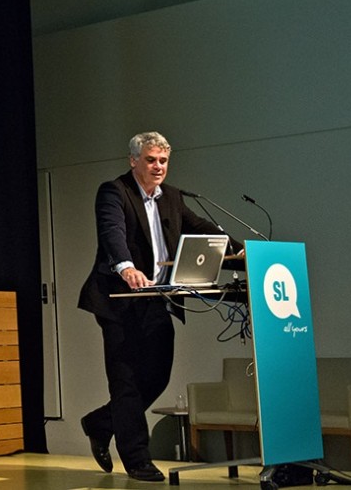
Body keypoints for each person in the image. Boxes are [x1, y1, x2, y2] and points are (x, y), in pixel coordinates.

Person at [77, 131, 242, 482]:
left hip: (157, 300)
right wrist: (127, 267)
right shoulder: (114, 191)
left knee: (157, 376)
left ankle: (101, 422)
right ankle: (137, 459)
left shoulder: (173, 198)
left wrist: (245, 254)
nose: (158, 167)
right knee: (126, 383)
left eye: (163, 161)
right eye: (151, 160)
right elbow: (112, 233)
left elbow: (204, 230)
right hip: (120, 301)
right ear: (133, 160)